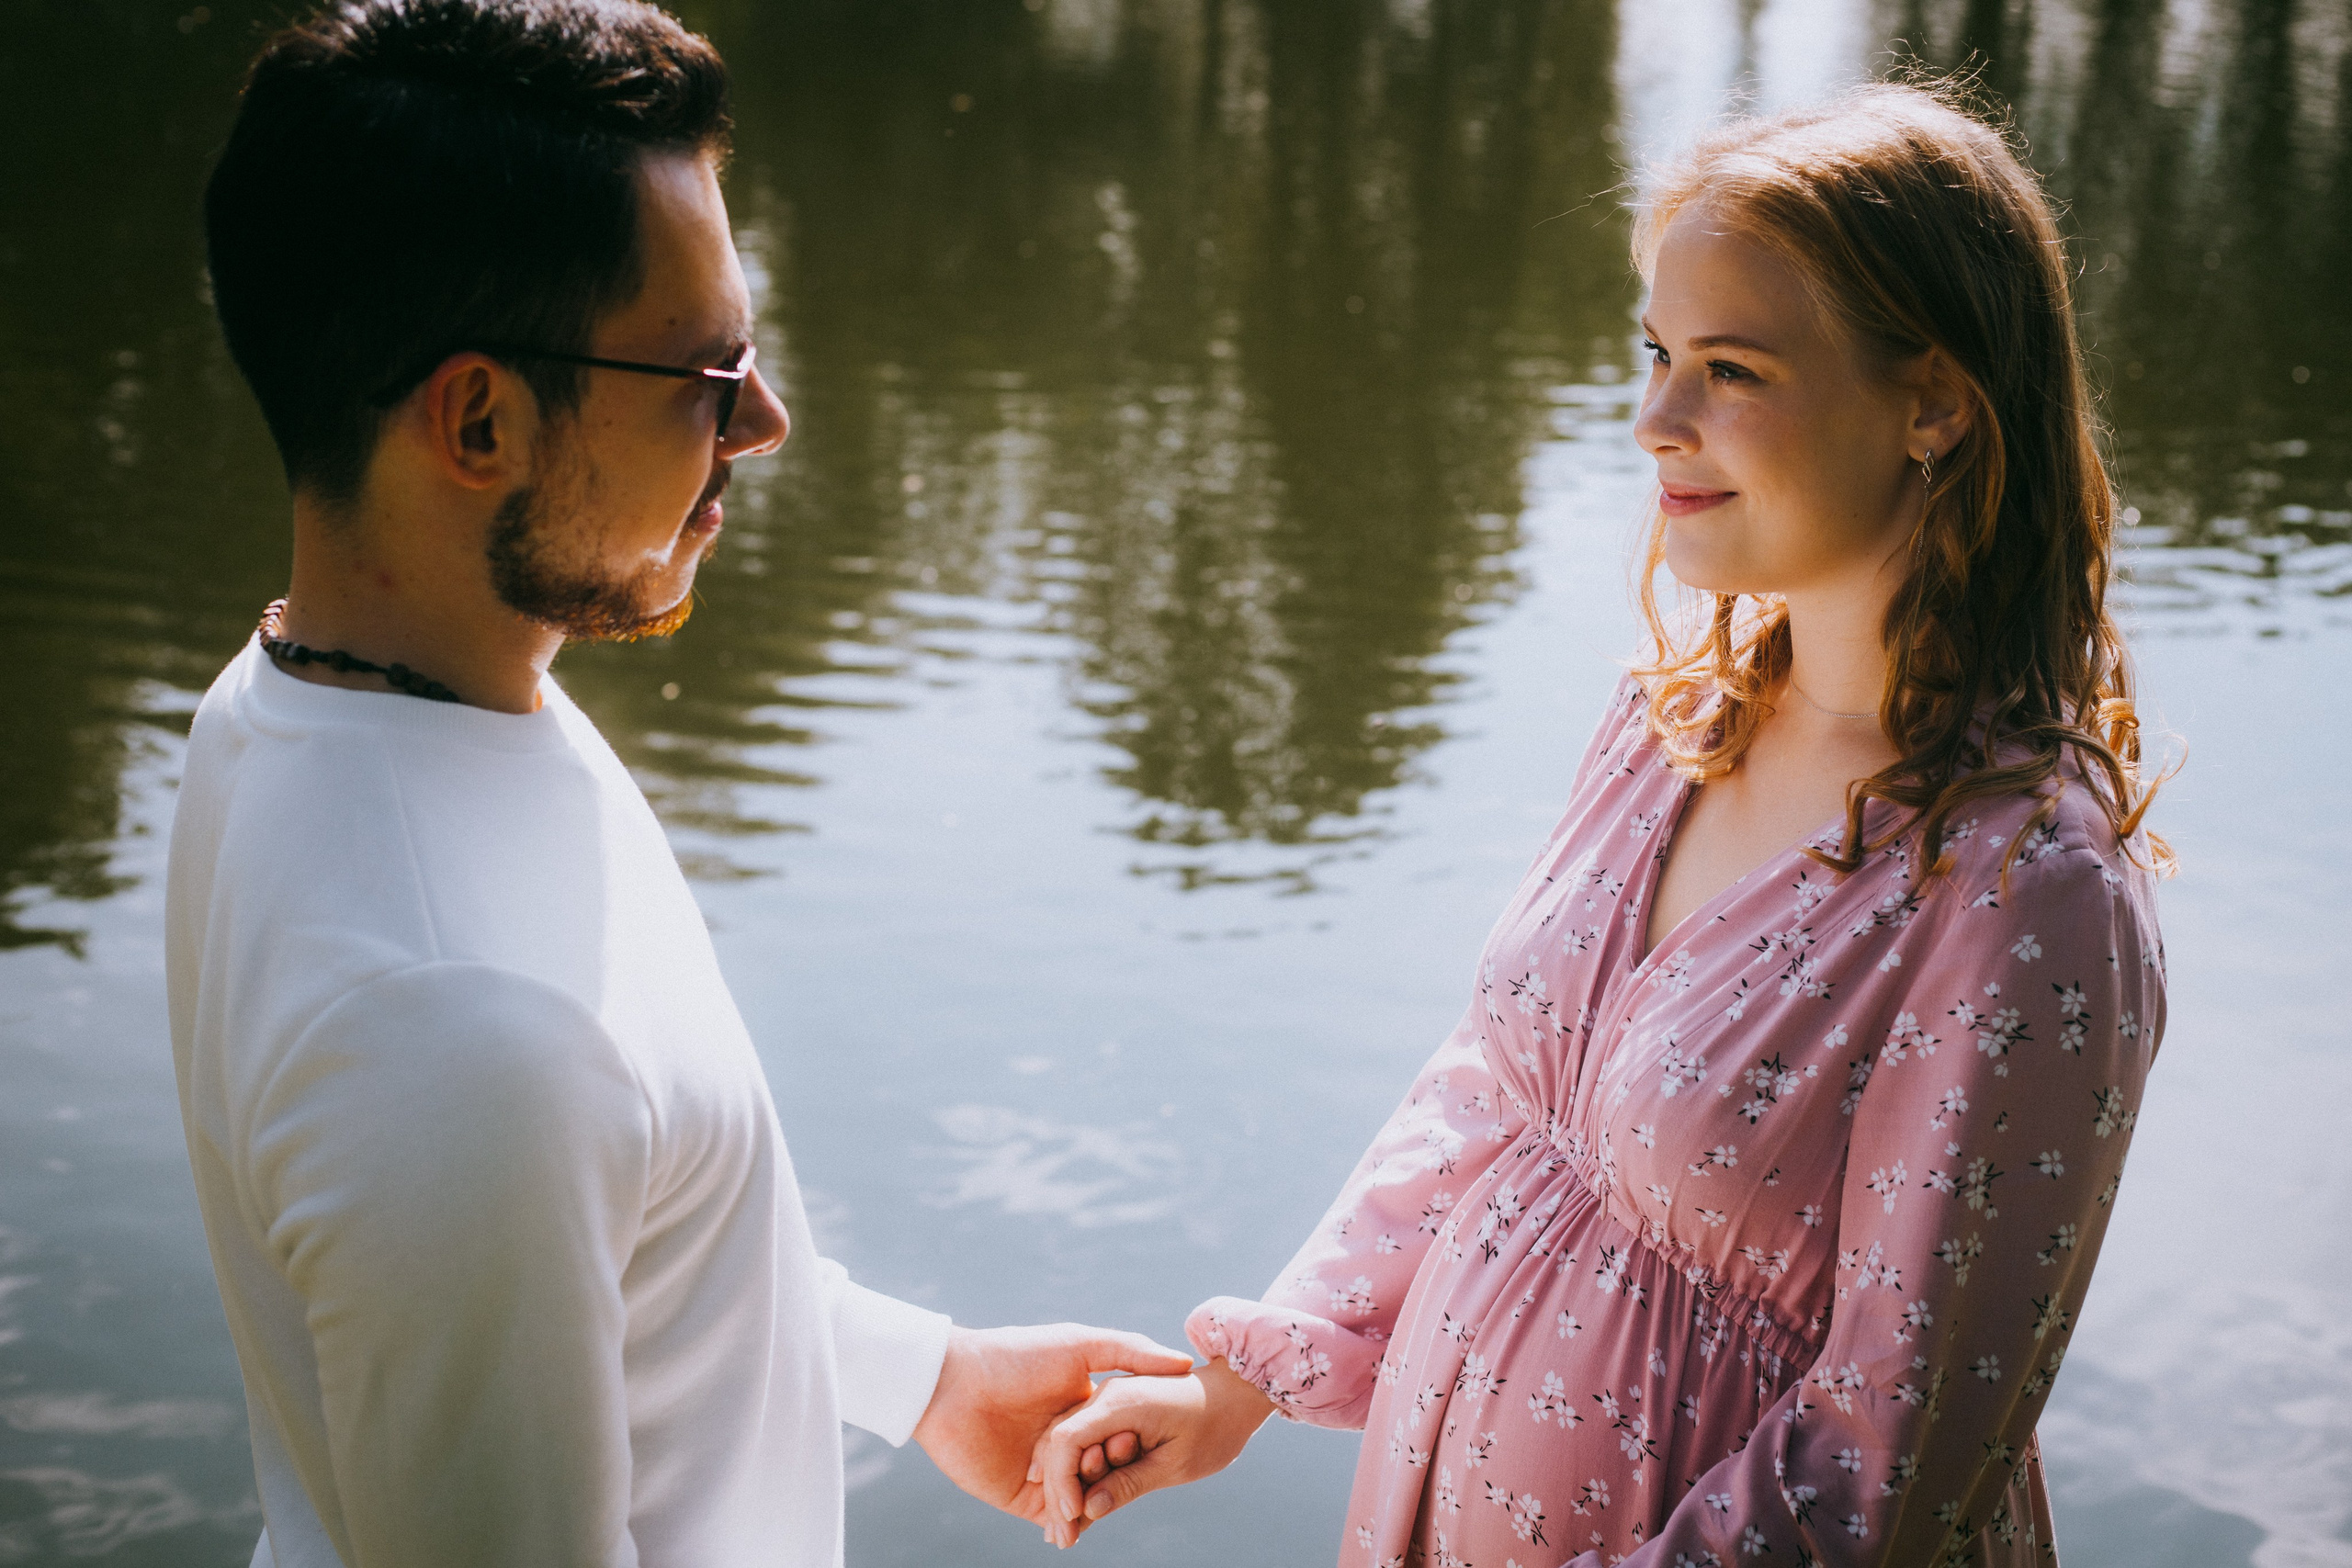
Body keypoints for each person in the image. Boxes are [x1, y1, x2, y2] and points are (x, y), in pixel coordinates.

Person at [1034, 82, 2168, 1566]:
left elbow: (1880, 1467)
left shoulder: (2025, 895)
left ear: (1935, 403)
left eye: (1731, 368)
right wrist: (1246, 1378)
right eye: (1656, 353)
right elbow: (1496, 1093)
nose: (1655, 420)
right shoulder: (1670, 722)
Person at [165, 3, 1190, 1564]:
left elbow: (614, 1222)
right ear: (481, 418)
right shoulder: (457, 1036)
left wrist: (927, 1381)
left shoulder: (300, 703)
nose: (764, 426)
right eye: (708, 375)